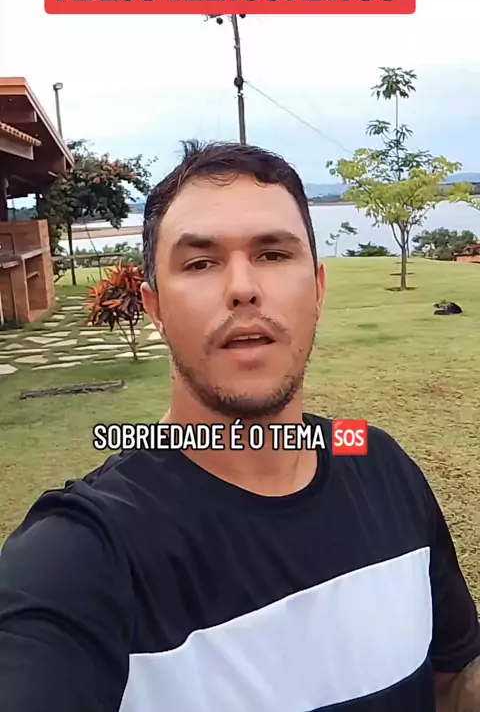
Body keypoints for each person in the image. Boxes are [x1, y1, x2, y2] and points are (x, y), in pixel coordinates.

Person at [0, 140, 479, 712]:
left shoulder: (380, 464)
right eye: (200, 263)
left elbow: (451, 683)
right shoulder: (81, 552)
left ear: (318, 289)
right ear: (155, 308)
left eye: (273, 254)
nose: (242, 287)